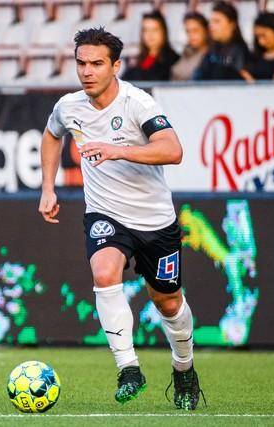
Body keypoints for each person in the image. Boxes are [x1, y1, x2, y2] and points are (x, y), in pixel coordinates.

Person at [38, 27, 204, 410]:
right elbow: (51, 135)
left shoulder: (137, 103)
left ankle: (184, 367)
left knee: (168, 303)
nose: (87, 71)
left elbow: (173, 150)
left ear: (116, 66)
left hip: (154, 220)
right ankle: (129, 368)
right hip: (106, 213)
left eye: (97, 64)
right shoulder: (69, 106)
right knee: (103, 273)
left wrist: (119, 151)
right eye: (81, 63)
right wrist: (48, 188)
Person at [194, 1, 250, 80]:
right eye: (211, 21)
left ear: (232, 25)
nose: (211, 26)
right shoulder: (212, 50)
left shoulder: (240, 52)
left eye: (217, 21)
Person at [122, 10, 179, 81]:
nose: (150, 35)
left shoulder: (173, 61)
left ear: (163, 32)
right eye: (146, 30)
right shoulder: (139, 60)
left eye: (154, 30)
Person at [171, 12, 210, 81]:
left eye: (195, 30)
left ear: (206, 30)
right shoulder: (186, 52)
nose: (191, 35)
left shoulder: (210, 56)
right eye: (188, 31)